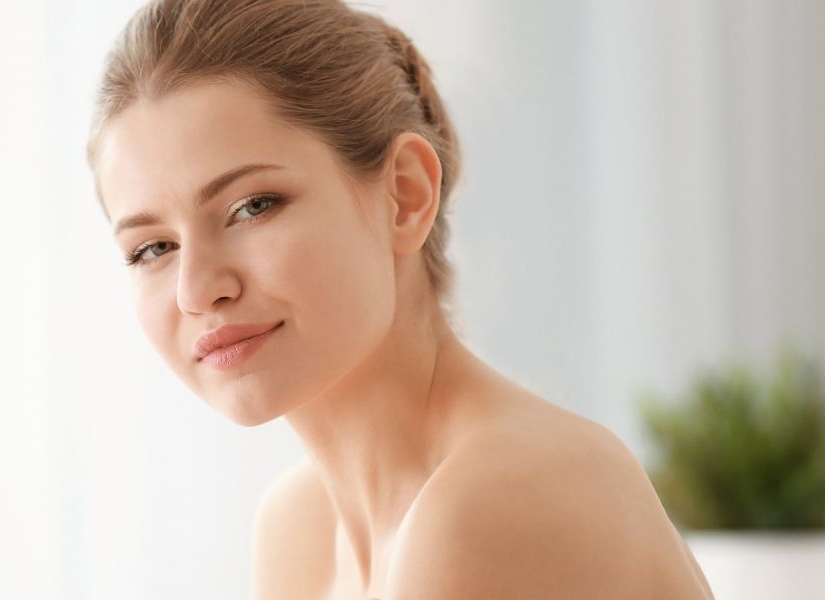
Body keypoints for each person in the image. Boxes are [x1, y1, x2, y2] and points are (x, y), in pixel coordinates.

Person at [85, 1, 714, 598]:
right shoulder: (297, 527)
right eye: (152, 249)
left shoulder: (492, 505)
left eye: (253, 207)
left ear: (405, 195)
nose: (197, 290)